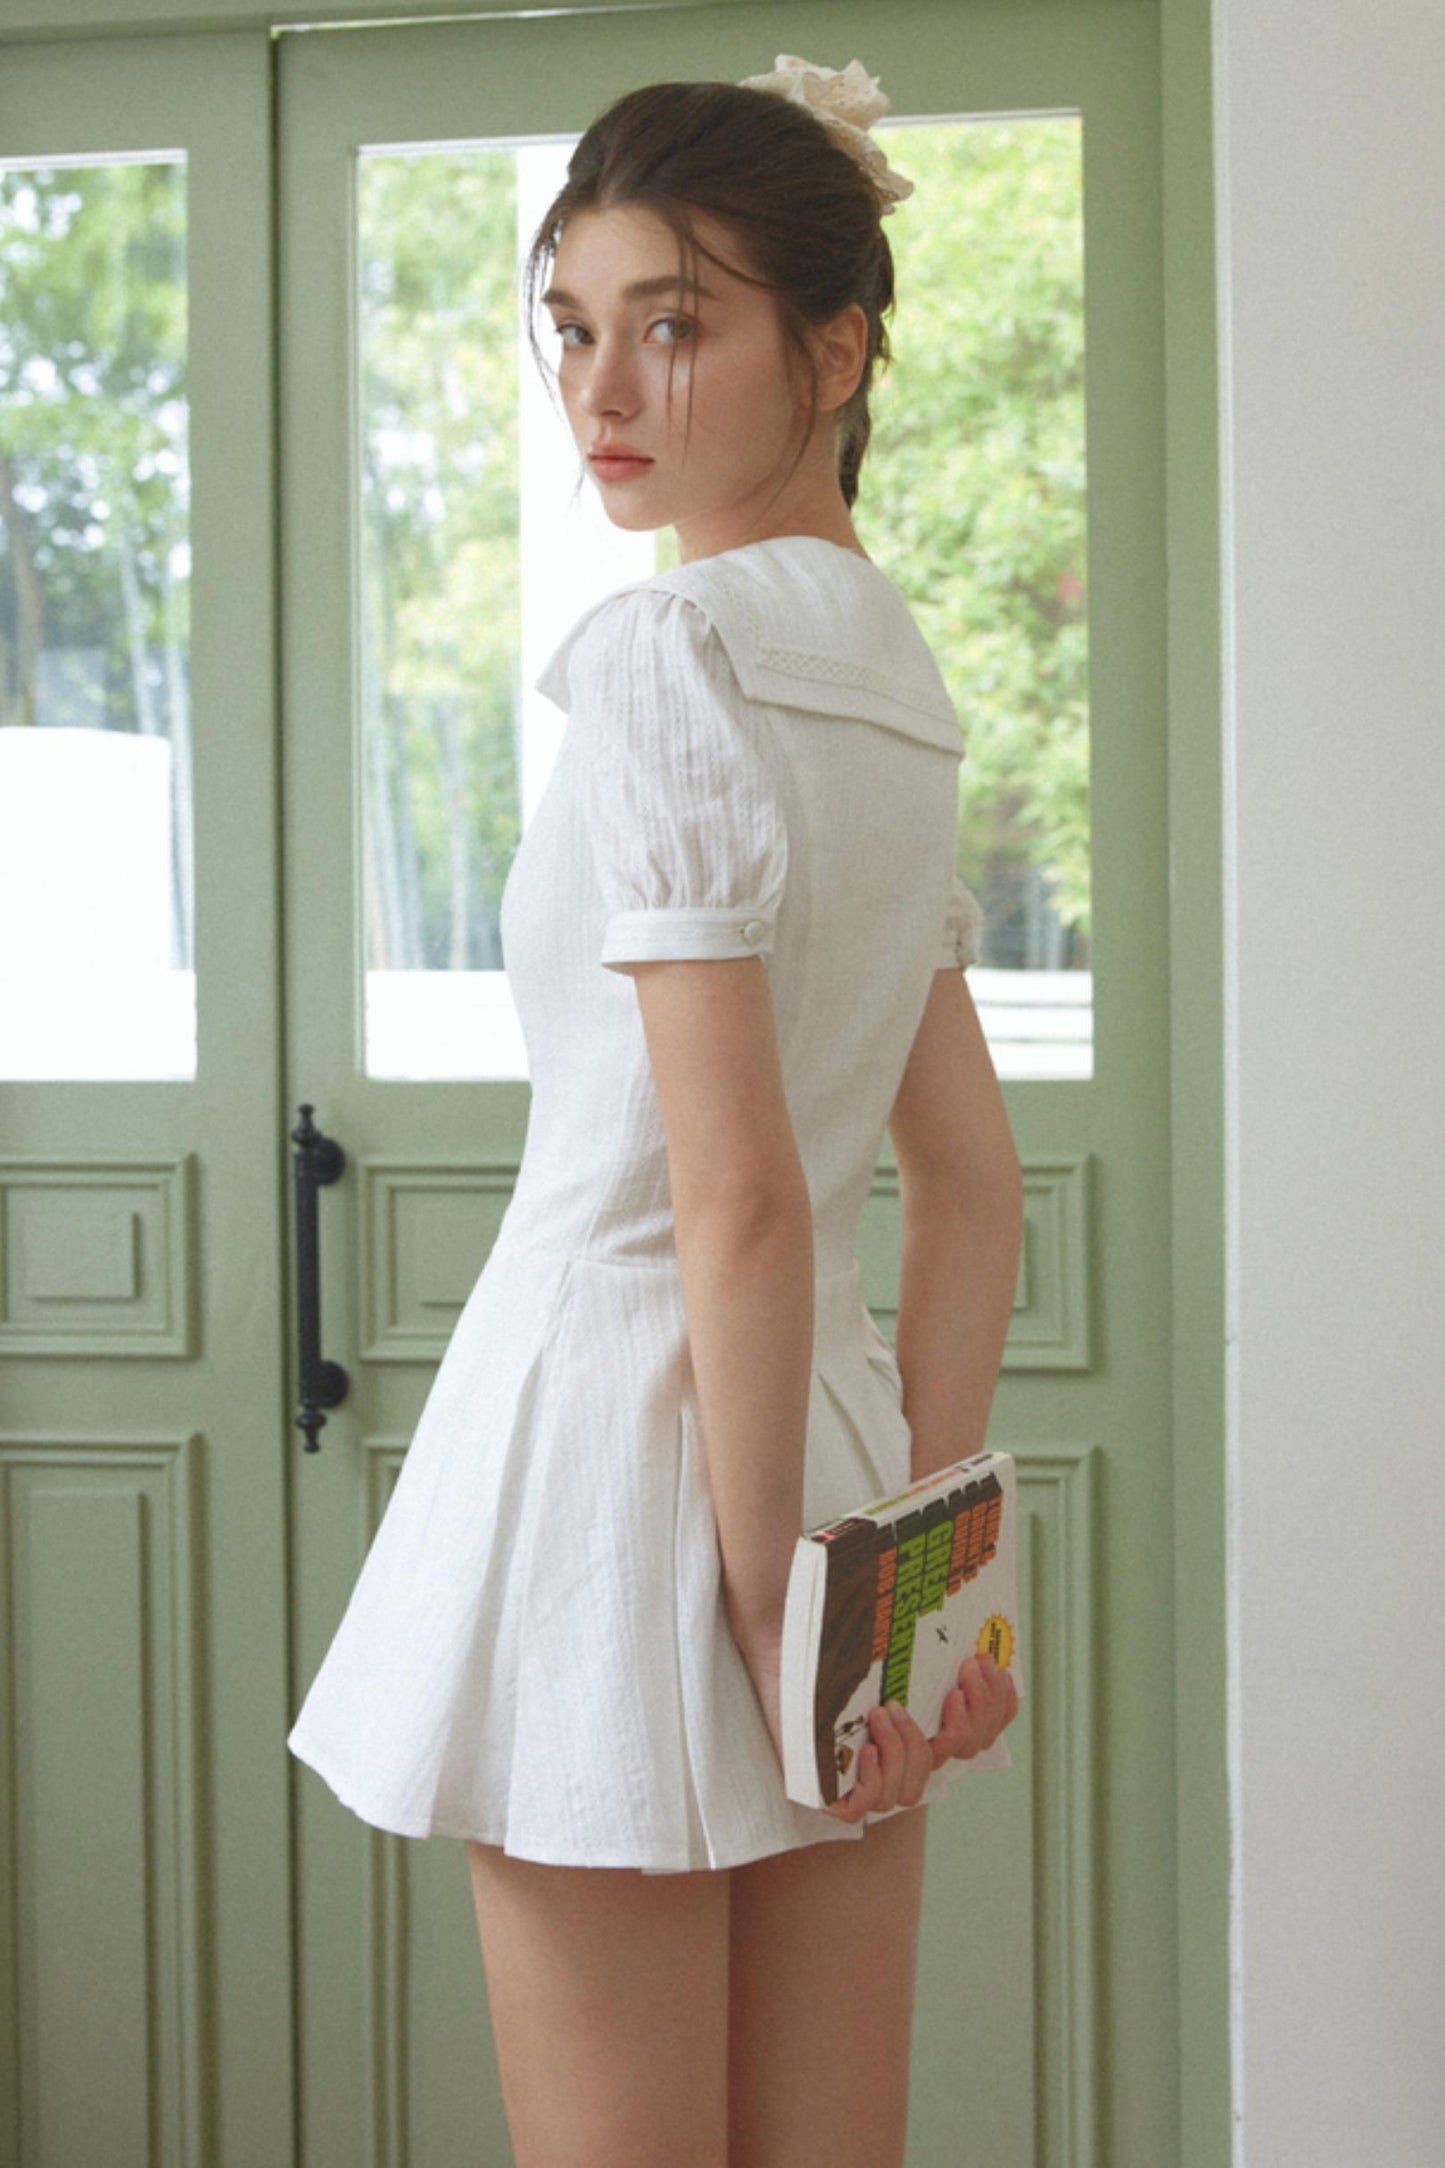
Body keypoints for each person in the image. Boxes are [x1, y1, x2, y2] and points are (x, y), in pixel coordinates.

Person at [288, 52, 1023, 2167]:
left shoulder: (664, 651)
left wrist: (757, 1597)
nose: (602, 392)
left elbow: (740, 1200)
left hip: (623, 1477)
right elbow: (969, 1185)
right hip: (828, 1456)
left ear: (834, 350)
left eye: (673, 326)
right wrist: (899, 1576)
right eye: (573, 328)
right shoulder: (896, 679)